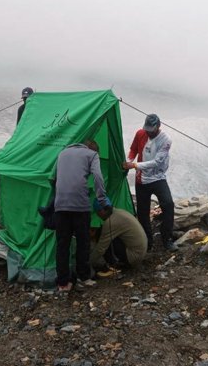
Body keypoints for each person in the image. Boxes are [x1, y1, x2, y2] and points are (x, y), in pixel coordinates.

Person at [53, 140, 112, 292]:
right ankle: (84, 278)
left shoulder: (62, 153)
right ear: (95, 150)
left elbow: (53, 178)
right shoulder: (92, 155)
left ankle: (63, 283)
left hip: (60, 204)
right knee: (83, 242)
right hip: (80, 204)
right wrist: (102, 199)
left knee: (62, 244)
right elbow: (98, 177)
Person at [123, 114, 177, 252]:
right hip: (142, 179)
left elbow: (156, 162)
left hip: (158, 177)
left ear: (158, 126)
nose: (148, 132)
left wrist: (134, 165)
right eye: (146, 129)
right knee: (142, 212)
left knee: (168, 204)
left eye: (151, 130)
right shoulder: (141, 133)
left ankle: (167, 239)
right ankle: (147, 241)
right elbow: (134, 149)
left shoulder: (165, 140)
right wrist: (129, 160)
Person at [91, 207, 148, 271]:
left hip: (132, 257)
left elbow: (101, 248)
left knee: (101, 233)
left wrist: (88, 262)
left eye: (98, 214)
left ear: (101, 211)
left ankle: (113, 264)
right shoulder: (119, 212)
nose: (99, 216)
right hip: (140, 252)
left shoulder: (111, 222)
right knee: (107, 234)